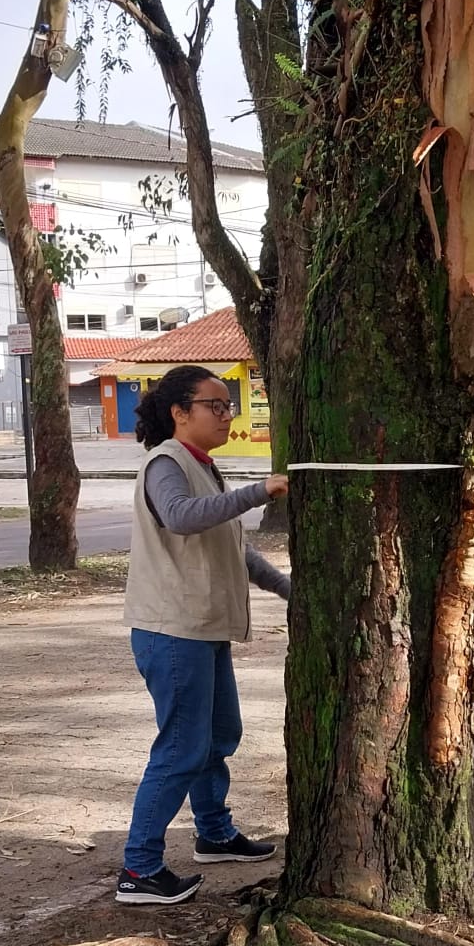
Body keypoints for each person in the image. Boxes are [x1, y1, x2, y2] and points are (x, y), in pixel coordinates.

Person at [116, 363, 291, 905]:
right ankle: (139, 870)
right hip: (173, 631)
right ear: (179, 412)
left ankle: (214, 833)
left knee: (218, 735)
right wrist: (258, 492)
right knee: (181, 748)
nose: (226, 415)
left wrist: (287, 589)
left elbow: (230, 549)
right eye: (215, 405)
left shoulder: (201, 465)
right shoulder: (166, 462)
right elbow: (181, 517)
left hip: (201, 629)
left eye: (229, 404)